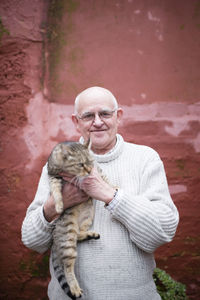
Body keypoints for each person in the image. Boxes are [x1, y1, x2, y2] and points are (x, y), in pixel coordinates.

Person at [21, 86, 179, 300]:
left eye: (105, 113)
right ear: (76, 122)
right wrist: (55, 205)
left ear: (118, 116)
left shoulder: (145, 159)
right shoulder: (58, 167)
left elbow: (162, 232)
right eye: (88, 116)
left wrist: (109, 195)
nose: (97, 122)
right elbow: (32, 240)